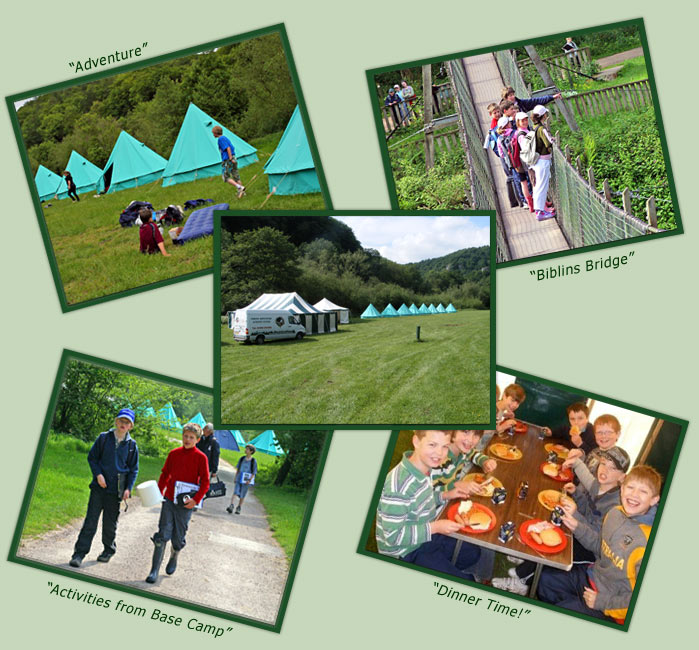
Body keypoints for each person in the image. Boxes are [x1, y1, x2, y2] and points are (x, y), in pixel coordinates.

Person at [537, 465, 661, 623]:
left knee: (565, 608)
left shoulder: (647, 542)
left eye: (643, 491)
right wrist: (576, 525)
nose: (634, 495)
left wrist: (602, 602)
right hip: (592, 578)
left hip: (611, 606)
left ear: (654, 499)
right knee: (546, 580)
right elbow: (599, 545)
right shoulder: (615, 513)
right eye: (630, 487)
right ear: (621, 489)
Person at [376, 430, 480, 579]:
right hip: (405, 552)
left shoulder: (426, 467)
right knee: (466, 581)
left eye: (445, 446)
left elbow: (421, 500)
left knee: (472, 552)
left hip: (426, 534)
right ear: (416, 441)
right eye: (432, 444)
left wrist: (445, 495)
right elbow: (392, 537)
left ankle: (441, 566)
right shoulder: (398, 487)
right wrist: (435, 527)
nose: (439, 453)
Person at [69, 409, 139, 568]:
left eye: (127, 422)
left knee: (110, 523)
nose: (123, 424)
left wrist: (128, 488)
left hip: (116, 491)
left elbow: (134, 469)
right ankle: (79, 554)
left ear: (131, 426)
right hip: (98, 489)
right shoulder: (103, 438)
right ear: (116, 421)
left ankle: (108, 550)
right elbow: (92, 458)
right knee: (91, 521)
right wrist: (98, 475)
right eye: (121, 421)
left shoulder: (132, 446)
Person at [146, 423, 210, 583]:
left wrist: (196, 499)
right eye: (185, 436)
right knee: (163, 533)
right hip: (169, 499)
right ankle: (154, 570)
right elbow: (165, 474)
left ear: (197, 440)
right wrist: (159, 492)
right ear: (182, 436)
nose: (187, 440)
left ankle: (174, 555)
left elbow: (205, 482)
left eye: (191, 438)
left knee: (178, 536)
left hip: (186, 503)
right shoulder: (174, 454)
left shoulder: (201, 458)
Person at [530, 105, 556, 221]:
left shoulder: (534, 127)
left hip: (537, 161)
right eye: (546, 113)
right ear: (543, 115)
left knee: (538, 186)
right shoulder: (541, 129)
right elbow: (548, 143)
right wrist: (552, 141)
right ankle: (540, 212)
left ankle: (539, 210)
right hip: (543, 161)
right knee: (542, 186)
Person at [212, 125, 245, 198]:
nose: (213, 135)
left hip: (228, 160)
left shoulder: (221, 139)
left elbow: (228, 148)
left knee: (225, 177)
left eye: (213, 133)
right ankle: (242, 192)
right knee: (236, 176)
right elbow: (232, 147)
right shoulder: (225, 138)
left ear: (215, 133)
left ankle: (239, 187)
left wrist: (230, 158)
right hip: (233, 158)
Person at [226, 444, 258, 514]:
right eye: (246, 449)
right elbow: (238, 469)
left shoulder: (253, 461)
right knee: (235, 492)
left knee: (242, 494)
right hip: (239, 477)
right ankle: (231, 505)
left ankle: (239, 507)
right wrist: (235, 477)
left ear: (251, 451)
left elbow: (253, 472)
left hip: (246, 480)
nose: (245, 450)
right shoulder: (242, 459)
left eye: (247, 449)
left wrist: (249, 480)